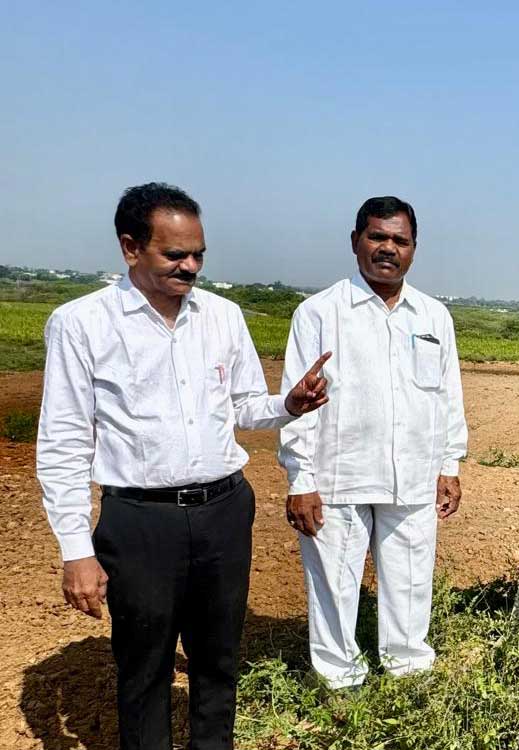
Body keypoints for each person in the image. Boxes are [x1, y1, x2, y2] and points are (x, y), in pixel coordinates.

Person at [36, 183, 330, 750]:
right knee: (144, 667)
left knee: (219, 658)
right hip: (141, 522)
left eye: (198, 254)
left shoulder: (222, 316)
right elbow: (64, 441)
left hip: (224, 510)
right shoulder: (81, 324)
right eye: (174, 255)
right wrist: (76, 548)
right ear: (130, 248)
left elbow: (244, 405)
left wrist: (286, 405)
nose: (190, 266)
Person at [278, 195, 467, 690]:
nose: (388, 248)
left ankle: (408, 674)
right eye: (377, 237)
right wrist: (301, 477)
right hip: (339, 473)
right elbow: (297, 402)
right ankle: (339, 680)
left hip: (414, 473)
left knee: (410, 579)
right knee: (335, 585)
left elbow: (448, 396)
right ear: (356, 241)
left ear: (414, 248)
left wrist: (451, 464)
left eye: (399, 240)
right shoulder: (319, 313)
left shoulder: (432, 317)